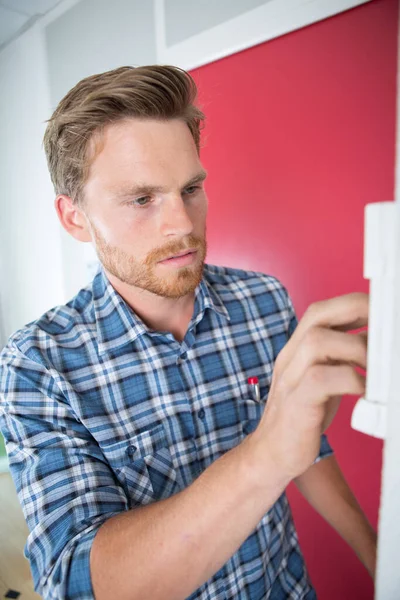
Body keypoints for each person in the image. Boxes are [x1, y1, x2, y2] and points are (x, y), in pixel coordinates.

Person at [0, 65, 376, 600]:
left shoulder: (263, 300)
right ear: (74, 218)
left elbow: (305, 447)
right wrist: (264, 452)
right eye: (141, 199)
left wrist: (379, 557)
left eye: (191, 188)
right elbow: (76, 583)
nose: (182, 224)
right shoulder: (38, 365)